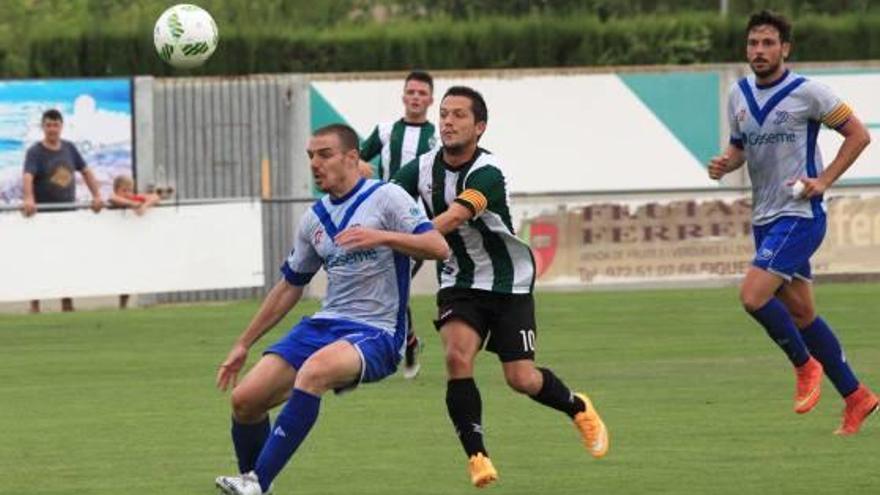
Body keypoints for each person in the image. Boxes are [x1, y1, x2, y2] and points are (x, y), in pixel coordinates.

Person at [214, 124, 449, 495]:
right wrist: (243, 343)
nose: (314, 163)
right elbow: (290, 285)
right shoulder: (314, 219)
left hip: (378, 331)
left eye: (324, 154)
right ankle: (253, 485)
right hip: (325, 324)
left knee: (314, 372)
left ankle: (258, 481)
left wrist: (382, 236)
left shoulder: (387, 197)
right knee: (245, 401)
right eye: (310, 156)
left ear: (352, 158)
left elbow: (438, 246)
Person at [391, 86, 608, 488]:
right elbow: (383, 198)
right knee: (457, 357)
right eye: (444, 114)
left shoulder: (488, 172)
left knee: (521, 379)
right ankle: (477, 456)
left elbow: (453, 218)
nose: (448, 122)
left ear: (480, 127)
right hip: (459, 280)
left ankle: (577, 406)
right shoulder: (421, 168)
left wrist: (396, 240)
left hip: (509, 282)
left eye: (458, 115)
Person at [708, 10, 877, 435]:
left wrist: (823, 180)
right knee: (802, 314)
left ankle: (805, 366)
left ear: (785, 48)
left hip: (800, 214)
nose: (759, 51)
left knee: (752, 296)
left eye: (768, 43)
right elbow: (739, 145)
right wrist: (727, 162)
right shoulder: (739, 94)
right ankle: (857, 397)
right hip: (764, 217)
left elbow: (858, 134)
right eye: (753, 44)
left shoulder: (809, 93)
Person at [359, 70, 438, 379]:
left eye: (422, 93)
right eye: (411, 92)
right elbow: (357, 159)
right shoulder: (385, 131)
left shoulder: (437, 136)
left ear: (430, 99)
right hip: (382, 223)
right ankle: (407, 340)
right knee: (387, 286)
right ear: (403, 96)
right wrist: (366, 172)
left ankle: (404, 341)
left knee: (392, 284)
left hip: (417, 226)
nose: (416, 97)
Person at [21, 108, 103, 313]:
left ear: (61, 126)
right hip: (42, 216)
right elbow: (28, 176)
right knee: (39, 260)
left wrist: (97, 196)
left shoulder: (69, 148)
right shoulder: (34, 152)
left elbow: (86, 171)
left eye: (55, 125)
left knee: (67, 260)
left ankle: (67, 303)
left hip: (68, 215)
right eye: (48, 125)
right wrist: (29, 198)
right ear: (43, 127)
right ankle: (35, 305)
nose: (52, 129)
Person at [109, 175, 162, 309]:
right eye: (124, 190)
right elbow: (111, 198)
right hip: (113, 241)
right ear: (116, 189)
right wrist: (133, 204)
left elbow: (155, 197)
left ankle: (123, 305)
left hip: (128, 242)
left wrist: (144, 205)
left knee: (127, 272)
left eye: (130, 190)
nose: (128, 194)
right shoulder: (115, 200)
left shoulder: (133, 198)